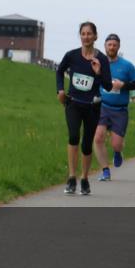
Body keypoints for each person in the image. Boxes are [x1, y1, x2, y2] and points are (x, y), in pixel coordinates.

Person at [56, 22, 113, 196]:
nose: (86, 36)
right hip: (73, 103)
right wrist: (60, 90)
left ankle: (85, 179)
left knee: (87, 145)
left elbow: (108, 86)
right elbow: (59, 71)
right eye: (83, 33)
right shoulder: (72, 55)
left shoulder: (102, 59)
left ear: (95, 37)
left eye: (89, 34)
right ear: (80, 36)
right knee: (74, 136)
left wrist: (98, 72)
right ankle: (72, 178)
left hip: (92, 107)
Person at [93, 34, 135, 181]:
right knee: (98, 137)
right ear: (105, 46)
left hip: (120, 110)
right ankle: (105, 171)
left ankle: (118, 152)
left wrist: (124, 85)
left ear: (118, 47)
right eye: (109, 45)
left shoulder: (127, 66)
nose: (112, 47)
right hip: (102, 106)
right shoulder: (99, 63)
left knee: (116, 144)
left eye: (114, 45)